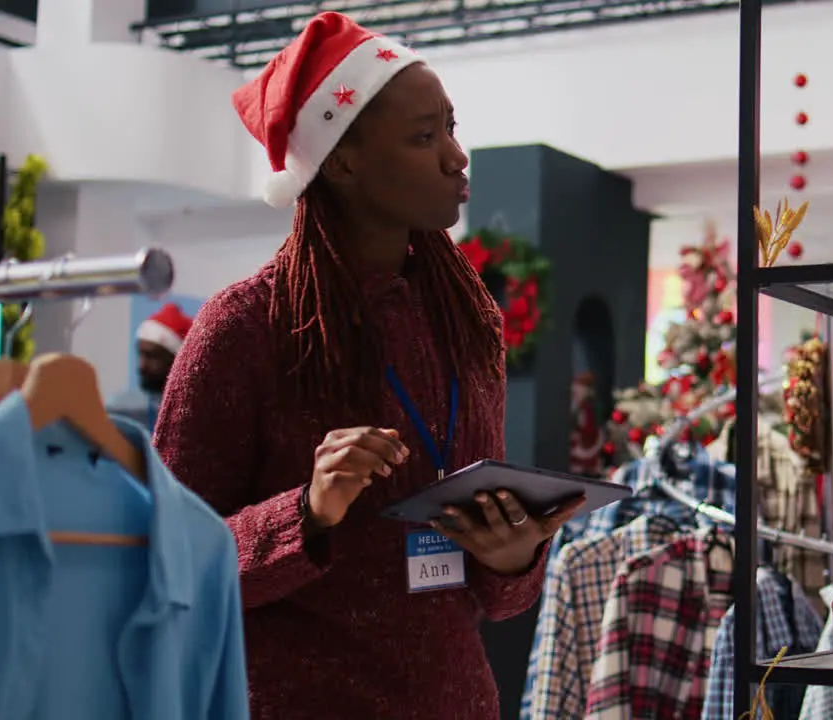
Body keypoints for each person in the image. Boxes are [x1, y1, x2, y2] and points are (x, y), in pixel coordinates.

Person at [151, 12, 583, 719]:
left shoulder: (464, 321)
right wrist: (308, 511)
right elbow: (171, 565)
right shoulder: (246, 326)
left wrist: (512, 556)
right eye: (423, 136)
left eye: (450, 126)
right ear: (343, 161)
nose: (456, 156)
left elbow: (493, 596)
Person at [106, 302, 193, 431]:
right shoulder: (119, 411)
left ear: (178, 361)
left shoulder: (196, 415)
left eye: (152, 356)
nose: (142, 365)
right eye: (140, 354)